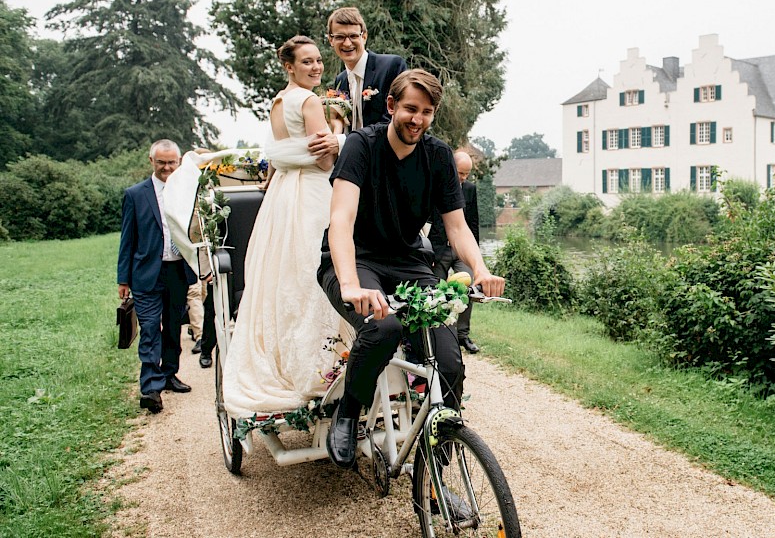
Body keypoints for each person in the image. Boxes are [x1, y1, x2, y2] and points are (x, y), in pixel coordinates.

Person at [317, 68, 505, 469]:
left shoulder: (438, 156)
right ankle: (349, 412)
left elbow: (456, 226)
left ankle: (435, 471)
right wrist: (351, 285)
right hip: (355, 259)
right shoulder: (360, 146)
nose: (417, 119)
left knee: (449, 362)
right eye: (409, 109)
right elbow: (341, 219)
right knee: (383, 327)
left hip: (407, 262)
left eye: (426, 111)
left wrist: (481, 268)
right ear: (390, 106)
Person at [222, 35, 347, 417]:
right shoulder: (309, 101)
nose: (315, 67)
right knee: (319, 268)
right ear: (289, 66)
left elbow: (281, 153)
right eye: (306, 62)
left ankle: (283, 360)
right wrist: (344, 139)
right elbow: (325, 161)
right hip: (311, 192)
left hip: (283, 195)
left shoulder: (278, 100)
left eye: (317, 61)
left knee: (286, 276)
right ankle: (323, 369)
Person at [118, 139, 198, 414]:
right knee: (151, 328)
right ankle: (151, 386)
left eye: (171, 162)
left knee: (173, 326)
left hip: (177, 270)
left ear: (178, 162)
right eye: (161, 162)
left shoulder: (188, 191)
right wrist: (123, 279)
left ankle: (170, 374)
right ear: (151, 161)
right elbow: (127, 239)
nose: (166, 167)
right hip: (146, 273)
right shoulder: (135, 194)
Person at [306, 6, 407, 162]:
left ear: (364, 36)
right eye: (340, 37)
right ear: (331, 40)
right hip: (353, 164)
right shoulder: (340, 81)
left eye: (353, 36)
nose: (347, 43)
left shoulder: (391, 66)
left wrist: (342, 141)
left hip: (387, 161)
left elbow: (393, 121)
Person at [428, 151, 481, 353]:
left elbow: (473, 224)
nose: (464, 177)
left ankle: (462, 335)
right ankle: (438, 336)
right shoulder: (436, 185)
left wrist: (475, 256)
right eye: (461, 172)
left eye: (467, 174)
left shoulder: (470, 189)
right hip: (438, 250)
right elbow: (427, 223)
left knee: (469, 287)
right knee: (435, 292)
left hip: (461, 251)